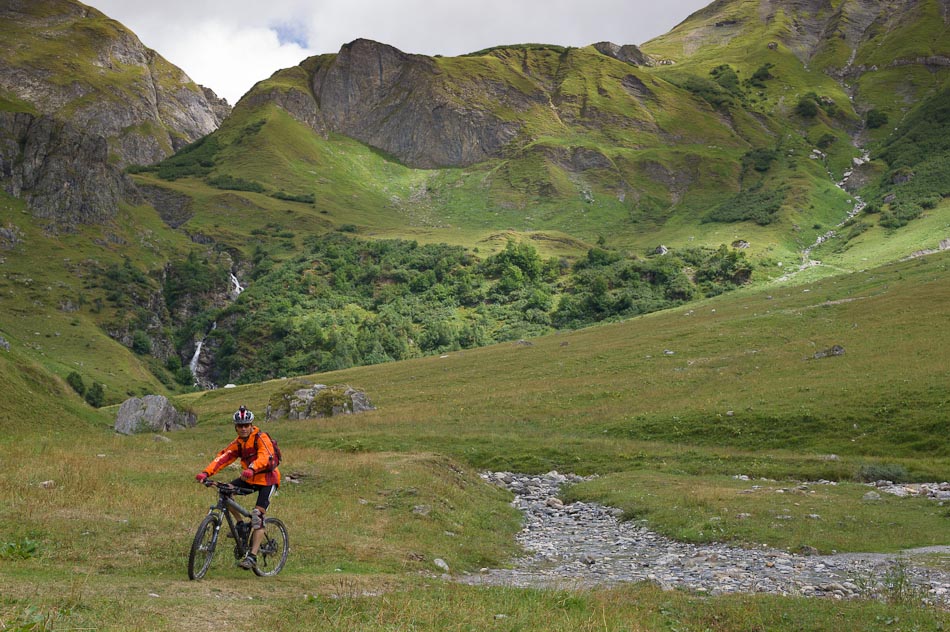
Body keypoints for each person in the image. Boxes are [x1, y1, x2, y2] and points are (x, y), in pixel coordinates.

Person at [196, 406, 281, 570]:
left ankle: (252, 556)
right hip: (249, 478)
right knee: (224, 491)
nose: (243, 428)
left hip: (268, 479)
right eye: (240, 426)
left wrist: (252, 468)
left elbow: (266, 456)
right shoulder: (238, 443)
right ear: (235, 427)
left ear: (251, 425)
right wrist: (205, 473)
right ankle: (241, 525)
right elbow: (223, 458)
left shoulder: (261, 438)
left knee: (257, 516)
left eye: (246, 425)